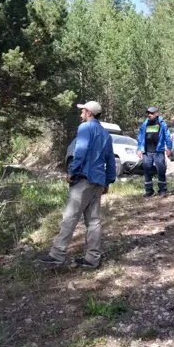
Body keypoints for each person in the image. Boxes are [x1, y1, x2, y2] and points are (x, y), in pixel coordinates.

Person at [37, 101, 116, 269]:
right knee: (93, 221)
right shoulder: (105, 134)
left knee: (69, 218)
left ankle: (57, 255)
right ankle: (92, 259)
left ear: (89, 113)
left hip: (83, 179)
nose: (81, 114)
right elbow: (110, 160)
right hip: (98, 182)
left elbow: (80, 151)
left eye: (82, 111)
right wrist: (108, 181)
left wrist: (72, 171)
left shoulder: (85, 128)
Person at [136, 107, 173, 198]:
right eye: (148, 113)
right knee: (147, 171)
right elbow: (140, 137)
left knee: (161, 170)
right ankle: (149, 191)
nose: (149, 115)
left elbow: (167, 136)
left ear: (156, 113)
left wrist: (169, 147)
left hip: (158, 151)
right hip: (147, 152)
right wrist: (139, 148)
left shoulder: (162, 124)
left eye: (152, 113)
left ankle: (162, 190)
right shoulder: (145, 124)